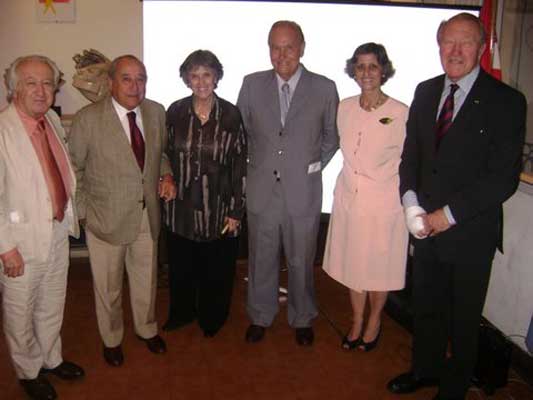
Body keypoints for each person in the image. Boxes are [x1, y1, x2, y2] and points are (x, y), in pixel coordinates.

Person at [387, 13, 526, 400]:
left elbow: (502, 179)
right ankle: (424, 370)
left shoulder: (508, 101)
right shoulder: (426, 90)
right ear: (438, 46)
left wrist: (445, 217)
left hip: (469, 232)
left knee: (464, 320)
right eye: (448, 42)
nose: (456, 50)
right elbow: (410, 157)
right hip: (425, 229)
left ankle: (454, 387)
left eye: (465, 42)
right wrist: (412, 205)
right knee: (426, 308)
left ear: (481, 48)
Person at [69, 55, 176, 367]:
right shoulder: (88, 118)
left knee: (146, 279)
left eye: (140, 78)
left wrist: (165, 174)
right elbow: (73, 168)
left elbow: (161, 153)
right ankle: (112, 338)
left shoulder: (156, 112)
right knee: (109, 287)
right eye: (127, 78)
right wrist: (85, 212)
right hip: (105, 219)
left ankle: (146, 328)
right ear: (111, 82)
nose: (135, 85)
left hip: (147, 214)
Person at [237, 20, 339, 346]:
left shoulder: (324, 88)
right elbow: (242, 135)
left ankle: (302, 316)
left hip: (302, 192)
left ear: (302, 49)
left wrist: (308, 166)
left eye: (289, 47)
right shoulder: (251, 85)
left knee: (301, 258)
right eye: (275, 47)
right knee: (261, 257)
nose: (282, 55)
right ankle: (260, 315)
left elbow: (331, 138)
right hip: (262, 189)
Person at [0, 55, 84, 400]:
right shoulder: (2, 130)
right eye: (31, 82)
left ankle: (51, 358)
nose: (40, 90)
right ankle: (28, 370)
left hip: (57, 230)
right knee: (20, 311)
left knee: (52, 302)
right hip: (19, 241)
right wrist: (5, 247)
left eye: (48, 83)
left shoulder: (50, 119)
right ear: (14, 88)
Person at [322, 43, 408, 352]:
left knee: (379, 267)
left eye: (373, 66)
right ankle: (357, 320)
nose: (366, 73)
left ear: (383, 70)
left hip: (385, 204)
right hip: (349, 199)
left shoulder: (400, 113)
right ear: (353, 71)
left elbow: (411, 160)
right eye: (360, 66)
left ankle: (375, 321)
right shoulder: (343, 107)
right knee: (353, 265)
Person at [162, 50, 247, 338]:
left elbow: (239, 165)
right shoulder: (174, 112)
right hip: (180, 207)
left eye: (206, 74)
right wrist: (166, 177)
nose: (200, 81)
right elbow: (163, 154)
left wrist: (236, 210)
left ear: (217, 77)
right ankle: (182, 312)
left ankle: (213, 317)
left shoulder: (231, 115)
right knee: (182, 267)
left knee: (217, 270)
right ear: (186, 79)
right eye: (194, 75)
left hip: (219, 208)